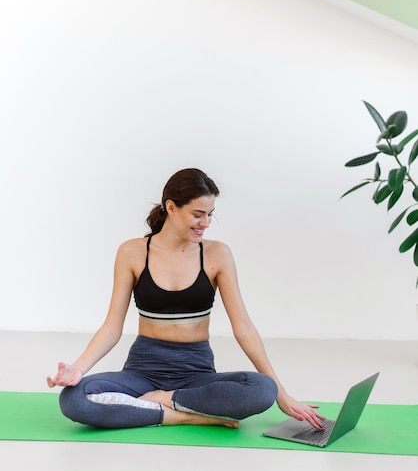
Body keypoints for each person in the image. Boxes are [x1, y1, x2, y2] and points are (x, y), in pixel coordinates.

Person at [47, 168, 324, 430]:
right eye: (197, 214)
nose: (205, 223)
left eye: (210, 215)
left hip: (196, 373)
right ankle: (187, 417)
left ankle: (163, 401)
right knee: (74, 397)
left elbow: (243, 327)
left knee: (263, 389)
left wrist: (281, 394)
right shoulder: (132, 252)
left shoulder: (217, 254)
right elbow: (112, 326)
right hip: (142, 370)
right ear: (171, 207)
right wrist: (78, 369)